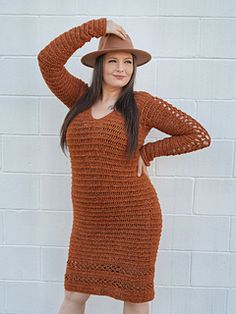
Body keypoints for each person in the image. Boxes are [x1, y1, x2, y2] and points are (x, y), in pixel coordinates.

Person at [37, 17, 211, 314]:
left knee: (135, 299)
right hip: (89, 222)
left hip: (135, 219)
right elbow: (48, 61)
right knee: (74, 296)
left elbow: (198, 135)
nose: (121, 69)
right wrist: (96, 27)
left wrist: (148, 152)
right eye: (113, 61)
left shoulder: (142, 104)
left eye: (128, 62)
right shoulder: (78, 98)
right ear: (99, 66)